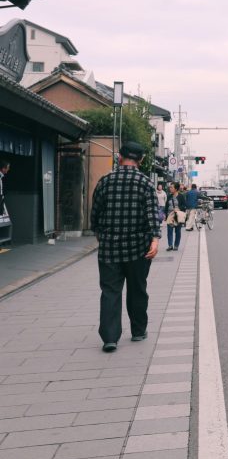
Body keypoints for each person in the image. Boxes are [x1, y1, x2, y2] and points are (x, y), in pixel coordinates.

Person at [90, 142, 160, 352]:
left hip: (109, 248)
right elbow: (152, 216)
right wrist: (155, 240)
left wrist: (101, 236)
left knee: (110, 291)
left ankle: (110, 338)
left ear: (119, 157)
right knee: (137, 290)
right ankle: (138, 331)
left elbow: (95, 216)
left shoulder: (105, 181)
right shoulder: (146, 183)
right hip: (139, 248)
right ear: (142, 160)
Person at [164, 182, 185, 251]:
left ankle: (176, 245)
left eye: (171, 187)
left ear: (176, 189)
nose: (170, 188)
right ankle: (170, 245)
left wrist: (179, 208)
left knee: (177, 231)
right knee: (169, 231)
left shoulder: (181, 196)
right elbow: (166, 206)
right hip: (170, 215)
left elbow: (184, 206)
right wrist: (165, 214)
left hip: (177, 216)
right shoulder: (169, 196)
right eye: (170, 187)